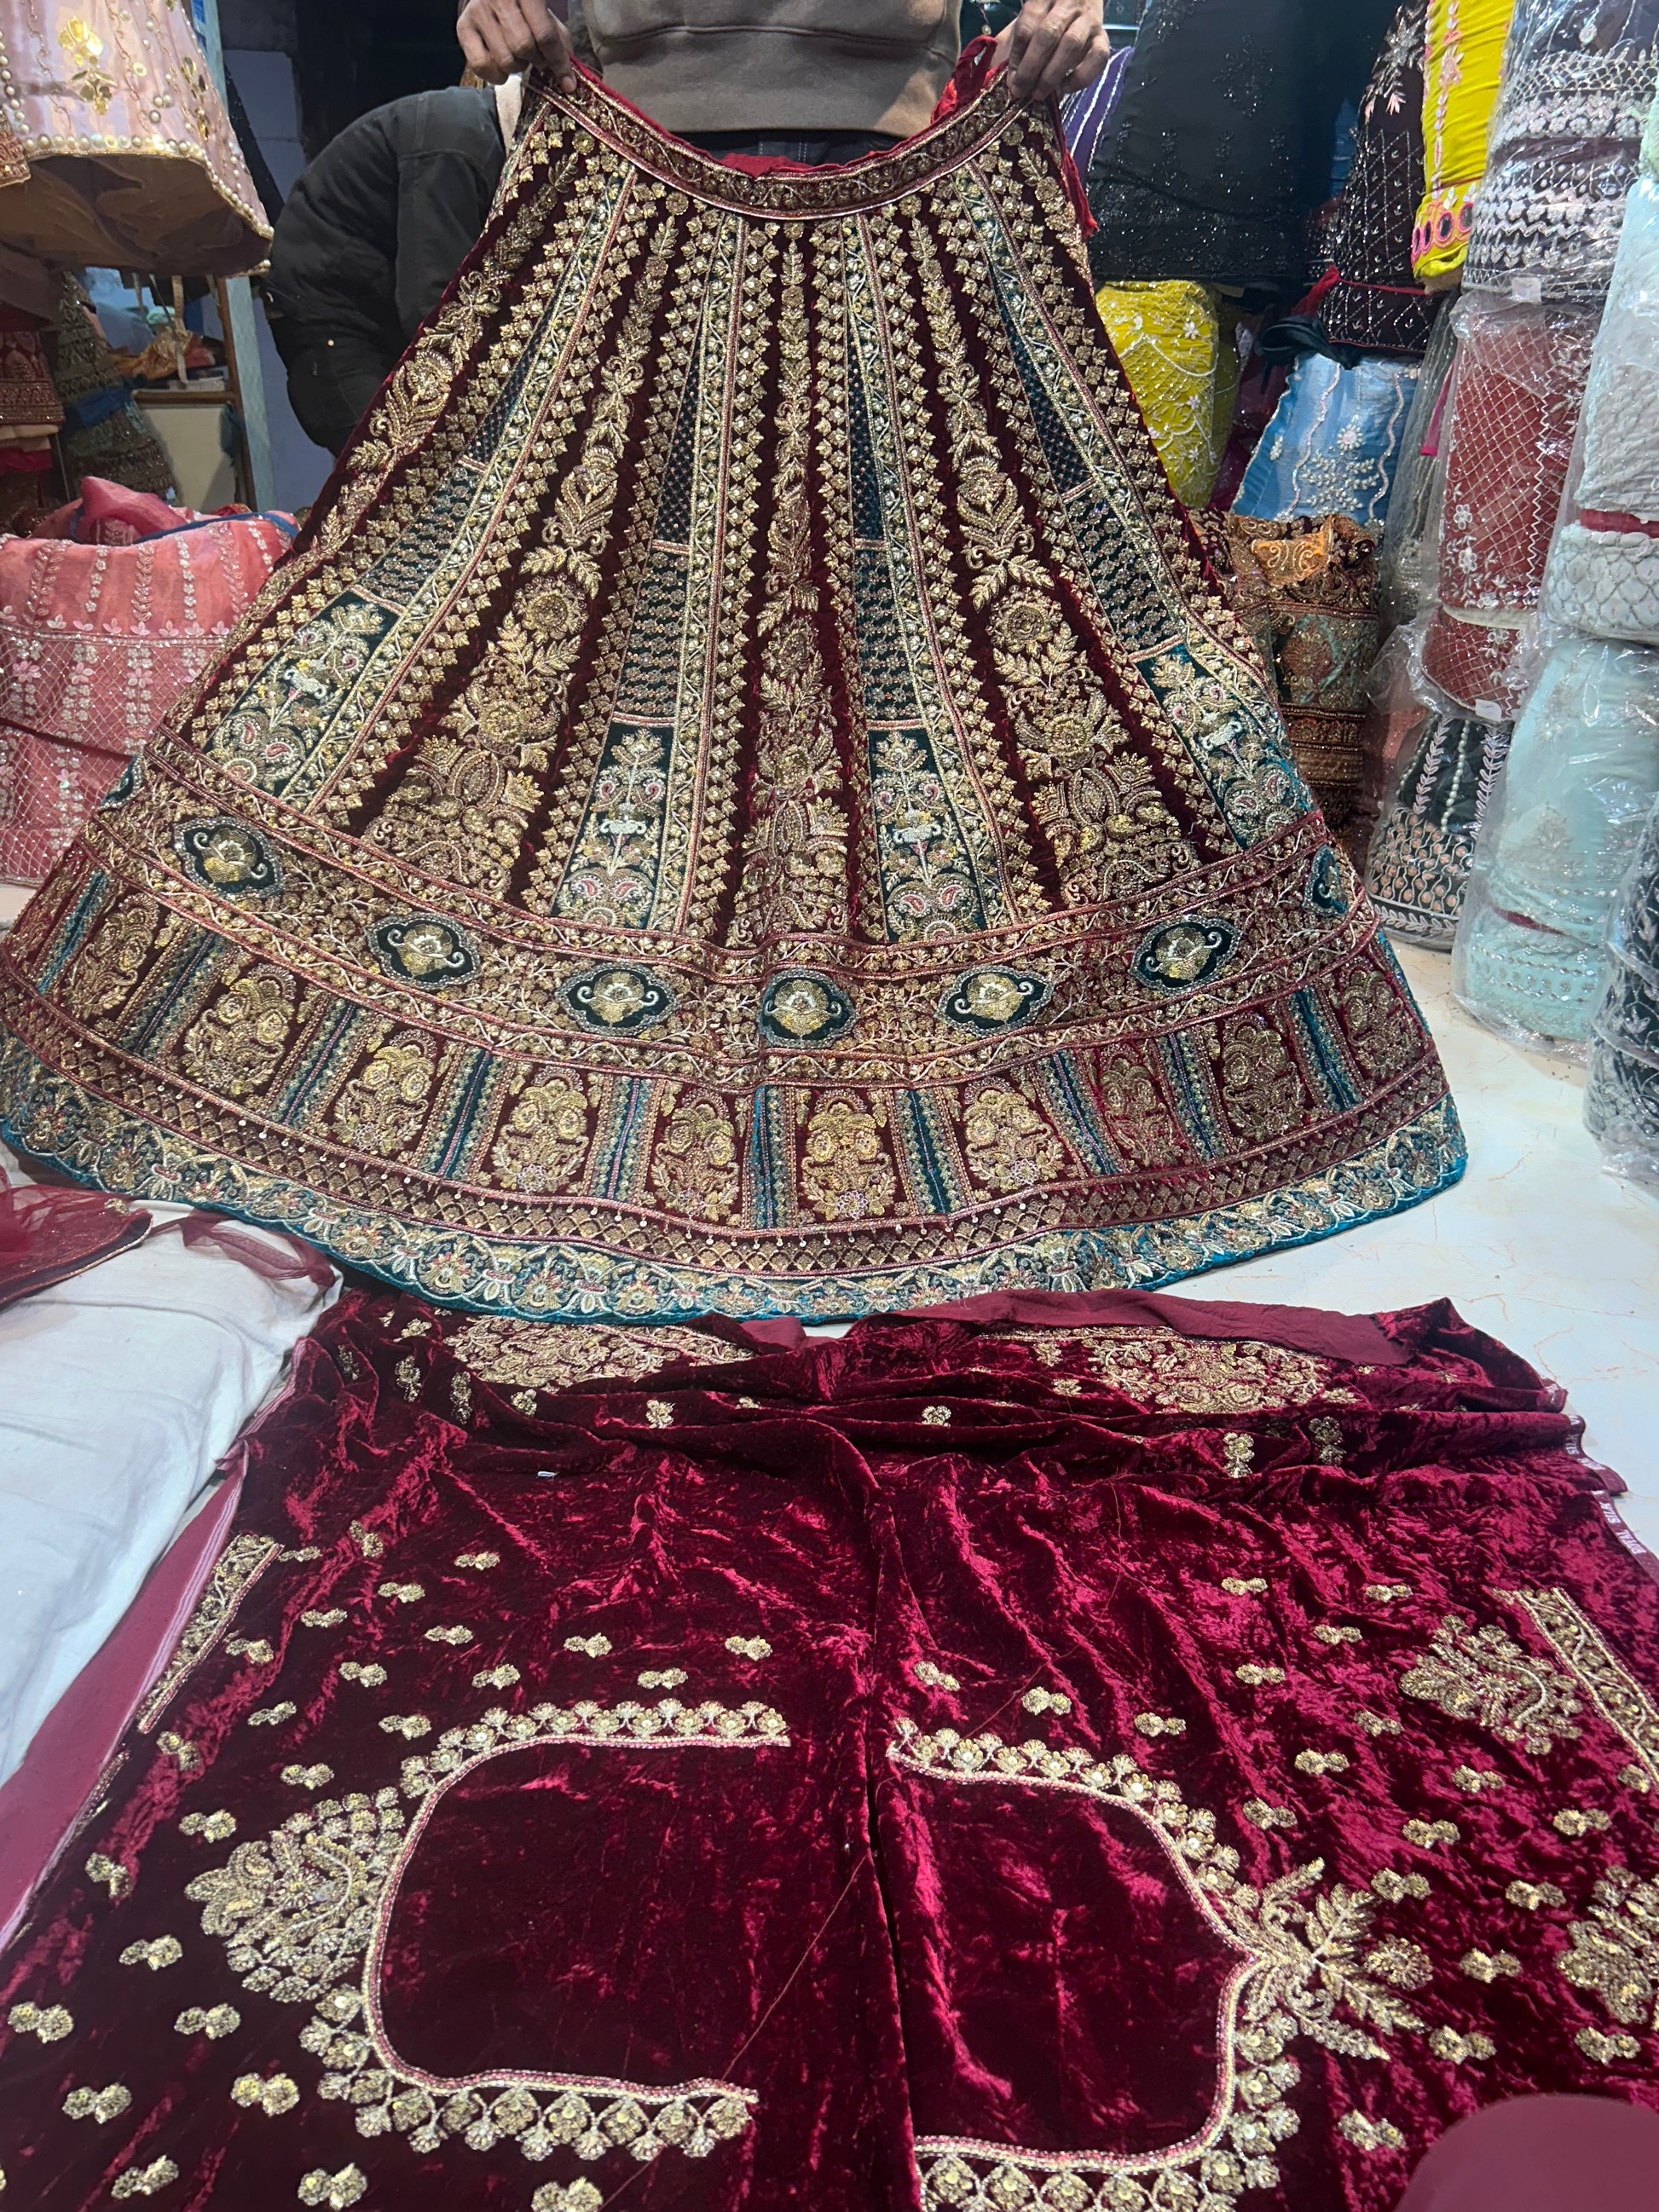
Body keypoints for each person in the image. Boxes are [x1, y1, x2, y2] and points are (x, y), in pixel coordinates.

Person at [265, 82, 517, 454]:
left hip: (368, 315)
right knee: (396, 466)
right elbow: (434, 310)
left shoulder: (482, 139)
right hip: (334, 324)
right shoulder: (458, 143)